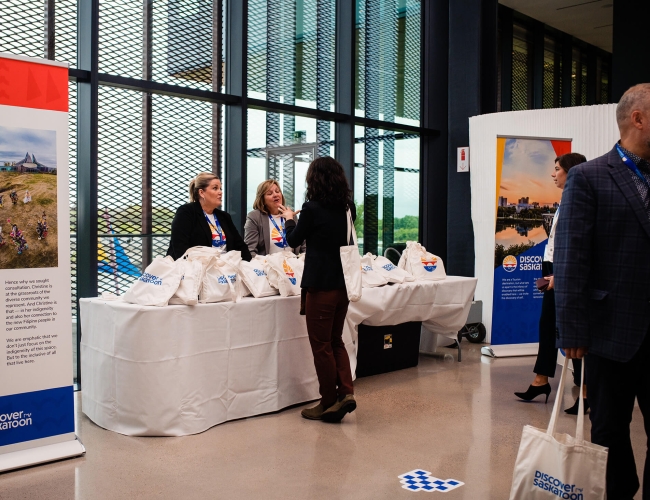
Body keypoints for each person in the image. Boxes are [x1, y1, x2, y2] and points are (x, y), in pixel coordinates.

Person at [555, 83, 650, 499]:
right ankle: (619, 492)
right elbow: (572, 260)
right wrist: (572, 332)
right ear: (638, 118)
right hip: (611, 332)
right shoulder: (589, 176)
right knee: (610, 428)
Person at [282, 157, 356, 423]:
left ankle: (327, 402)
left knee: (321, 345)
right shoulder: (348, 207)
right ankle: (346, 393)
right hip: (343, 285)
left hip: (321, 285)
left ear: (314, 179)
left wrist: (290, 219)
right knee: (336, 340)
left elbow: (293, 240)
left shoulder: (311, 208)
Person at [515, 153, 588, 415]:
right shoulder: (565, 198)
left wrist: (562, 275)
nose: (552, 174)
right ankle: (541, 379)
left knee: (573, 330)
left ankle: (585, 391)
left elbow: (579, 243)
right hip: (554, 268)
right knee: (548, 326)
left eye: (557, 169)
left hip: (565, 271)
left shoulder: (580, 199)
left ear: (572, 171)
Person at [167, 172, 252, 261]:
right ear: (202, 193)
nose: (220, 192)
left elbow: (240, 246)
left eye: (220, 188)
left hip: (223, 269)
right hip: (195, 269)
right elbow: (180, 247)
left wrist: (249, 265)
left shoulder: (224, 216)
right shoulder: (187, 212)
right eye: (215, 188)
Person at [244, 179, 306, 257]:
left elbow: (304, 246)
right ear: (262, 199)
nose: (275, 195)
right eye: (270, 193)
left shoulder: (290, 215)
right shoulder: (254, 217)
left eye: (277, 191)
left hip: (292, 266)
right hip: (267, 266)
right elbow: (250, 250)